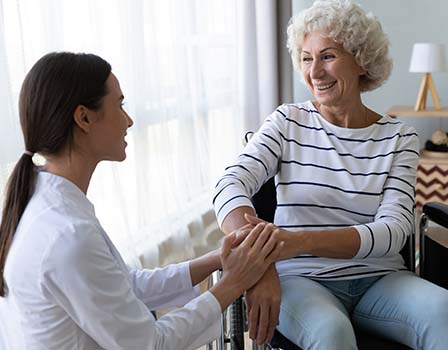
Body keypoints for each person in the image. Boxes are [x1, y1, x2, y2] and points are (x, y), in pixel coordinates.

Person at [213, 0, 448, 349]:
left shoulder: (399, 138)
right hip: (300, 279)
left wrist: (301, 241)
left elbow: (394, 231)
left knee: (446, 311)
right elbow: (229, 184)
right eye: (306, 58)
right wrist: (259, 265)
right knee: (331, 332)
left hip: (380, 279)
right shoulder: (287, 122)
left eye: (328, 56)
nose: (315, 72)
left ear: (361, 60)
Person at [0, 52, 282, 350]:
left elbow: (126, 286)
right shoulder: (68, 235)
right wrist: (233, 283)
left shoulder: (45, 200)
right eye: (120, 105)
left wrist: (216, 261)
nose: (130, 120)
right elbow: (151, 344)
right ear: (83, 118)